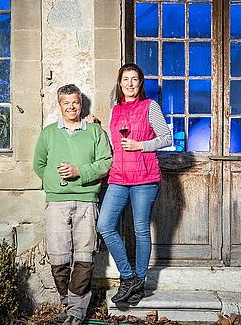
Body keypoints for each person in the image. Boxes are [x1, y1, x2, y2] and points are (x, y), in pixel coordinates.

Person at [33, 84, 112, 325]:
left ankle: (76, 313)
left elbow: (106, 163)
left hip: (87, 201)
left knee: (84, 257)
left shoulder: (95, 133)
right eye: (66, 103)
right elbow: (39, 164)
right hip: (57, 202)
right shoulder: (48, 133)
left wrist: (80, 172)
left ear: (81, 104)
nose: (71, 107)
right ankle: (68, 306)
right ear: (60, 105)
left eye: (75, 102)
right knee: (58, 257)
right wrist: (56, 183)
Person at [96, 63, 172, 305]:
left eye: (134, 79)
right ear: (119, 83)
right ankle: (129, 278)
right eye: (125, 79)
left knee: (140, 230)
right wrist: (95, 127)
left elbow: (167, 138)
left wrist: (141, 145)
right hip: (118, 175)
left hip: (145, 178)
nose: (130, 83)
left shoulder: (151, 107)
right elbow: (114, 143)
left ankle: (139, 281)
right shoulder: (115, 110)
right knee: (105, 224)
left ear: (141, 83)